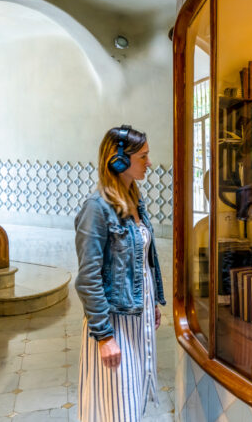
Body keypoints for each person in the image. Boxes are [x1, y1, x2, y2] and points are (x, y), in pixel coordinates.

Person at [74, 125, 166, 422]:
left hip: (137, 319)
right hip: (114, 323)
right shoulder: (96, 208)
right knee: (117, 408)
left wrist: (152, 302)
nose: (149, 163)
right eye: (143, 156)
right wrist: (104, 337)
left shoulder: (135, 202)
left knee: (132, 399)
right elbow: (88, 278)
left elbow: (142, 262)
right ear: (119, 160)